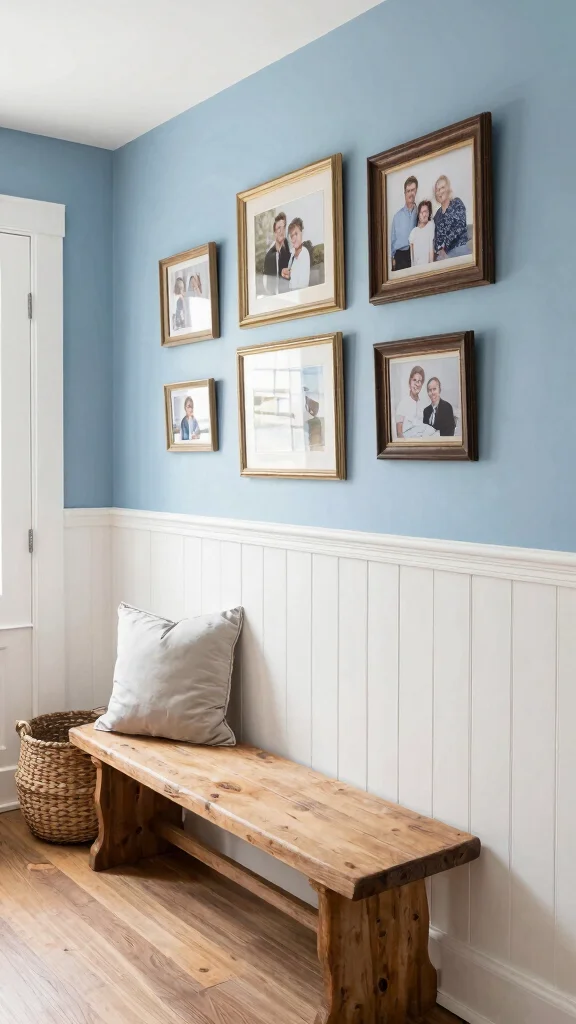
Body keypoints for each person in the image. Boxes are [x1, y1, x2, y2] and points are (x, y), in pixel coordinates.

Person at [433, 176, 471, 260]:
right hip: (444, 254)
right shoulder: (437, 215)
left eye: (442, 188)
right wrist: (439, 249)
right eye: (437, 190)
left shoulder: (457, 203)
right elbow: (435, 237)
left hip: (459, 248)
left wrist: (444, 247)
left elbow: (459, 227)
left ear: (448, 189)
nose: (440, 192)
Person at [390, 176, 418, 271]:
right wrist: (392, 258)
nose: (410, 193)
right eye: (408, 191)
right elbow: (392, 240)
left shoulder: (420, 213)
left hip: (416, 254)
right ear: (405, 193)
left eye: (413, 190)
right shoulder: (397, 216)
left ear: (416, 191)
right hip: (400, 256)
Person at [263, 212, 291, 294]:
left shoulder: (290, 254)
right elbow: (267, 285)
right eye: (279, 228)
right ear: (274, 232)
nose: (281, 231)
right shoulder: (269, 256)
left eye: (283, 227)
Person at [395, 365, 426, 438]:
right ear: (410, 382)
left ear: (421, 385)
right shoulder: (402, 404)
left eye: (419, 381)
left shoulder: (423, 405)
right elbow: (399, 434)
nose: (416, 384)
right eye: (414, 380)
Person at [283, 217, 311, 290]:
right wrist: (285, 272)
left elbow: (303, 285)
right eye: (292, 235)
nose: (293, 238)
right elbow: (290, 274)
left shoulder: (304, 253)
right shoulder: (292, 254)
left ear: (302, 233)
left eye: (296, 234)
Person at [409, 200, 435, 267]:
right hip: (416, 268)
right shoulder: (413, 232)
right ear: (418, 215)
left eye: (426, 211)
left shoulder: (430, 225)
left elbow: (431, 248)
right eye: (421, 212)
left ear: (429, 213)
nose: (424, 215)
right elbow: (412, 257)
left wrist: (431, 267)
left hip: (427, 267)